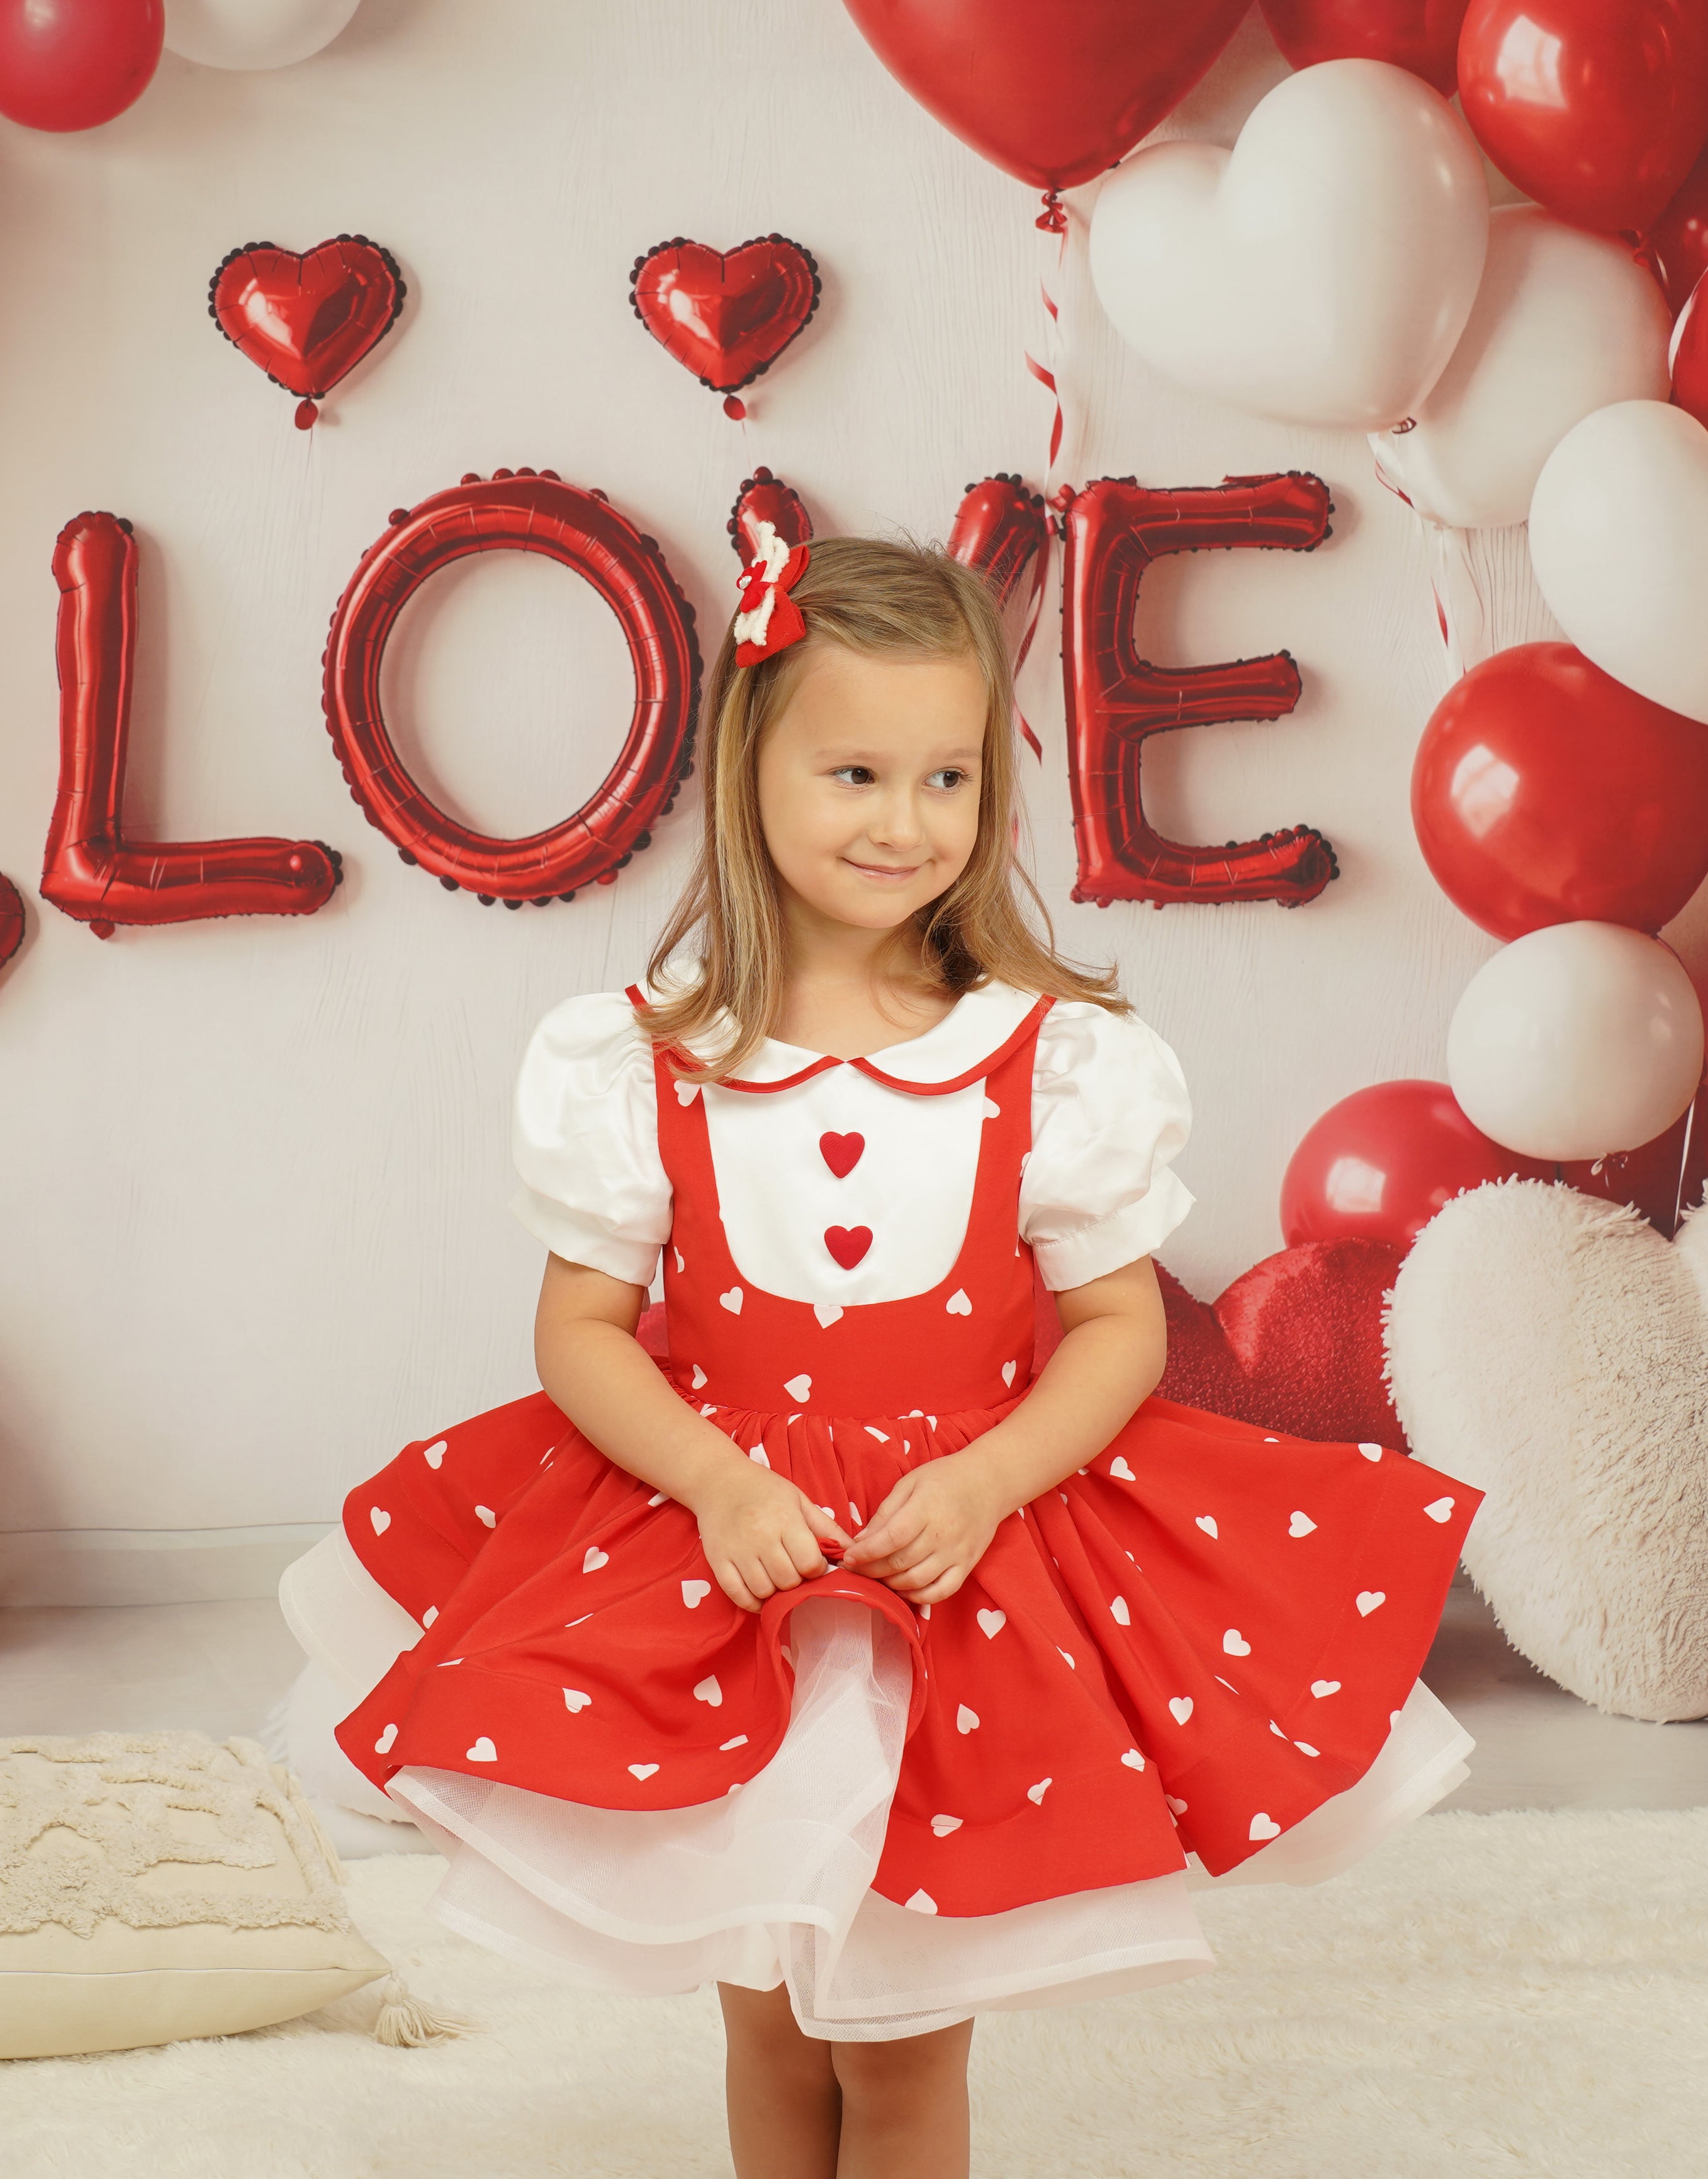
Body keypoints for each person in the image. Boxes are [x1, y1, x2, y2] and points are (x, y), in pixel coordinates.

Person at [269, 531, 1485, 2176]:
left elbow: (1120, 1328)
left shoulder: (1047, 1059)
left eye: (948, 778)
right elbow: (581, 1330)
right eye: (855, 770)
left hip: (961, 1593)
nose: (905, 822)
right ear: (746, 767)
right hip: (724, 1572)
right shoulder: (650, 1062)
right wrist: (710, 1479)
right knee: (768, 2025)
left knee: (903, 2046)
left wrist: (989, 1478)